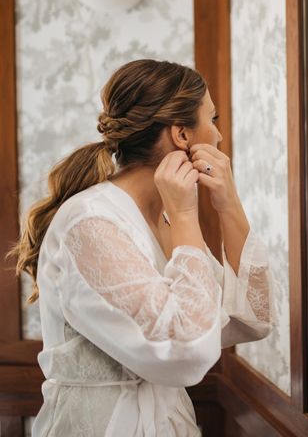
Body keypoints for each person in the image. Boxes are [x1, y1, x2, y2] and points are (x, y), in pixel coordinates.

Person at [8, 59, 273, 436]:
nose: (218, 136)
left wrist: (230, 205)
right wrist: (184, 216)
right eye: (212, 119)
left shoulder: (162, 219)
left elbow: (251, 318)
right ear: (182, 135)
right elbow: (188, 352)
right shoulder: (90, 223)